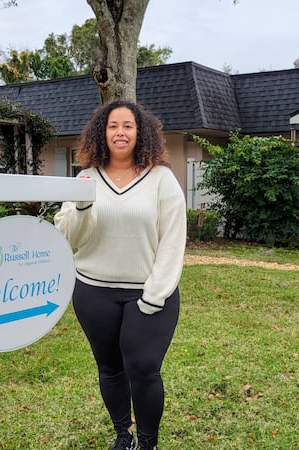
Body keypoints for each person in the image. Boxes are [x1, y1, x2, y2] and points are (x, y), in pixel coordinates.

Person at [54, 100, 186, 450]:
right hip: (93, 291)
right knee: (110, 368)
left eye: (128, 125)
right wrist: (83, 205)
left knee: (143, 368)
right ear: (102, 132)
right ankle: (123, 435)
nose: (120, 132)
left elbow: (173, 240)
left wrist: (154, 295)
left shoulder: (161, 178)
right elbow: (70, 237)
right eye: (113, 126)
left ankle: (147, 443)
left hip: (147, 293)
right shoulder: (84, 179)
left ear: (140, 132)